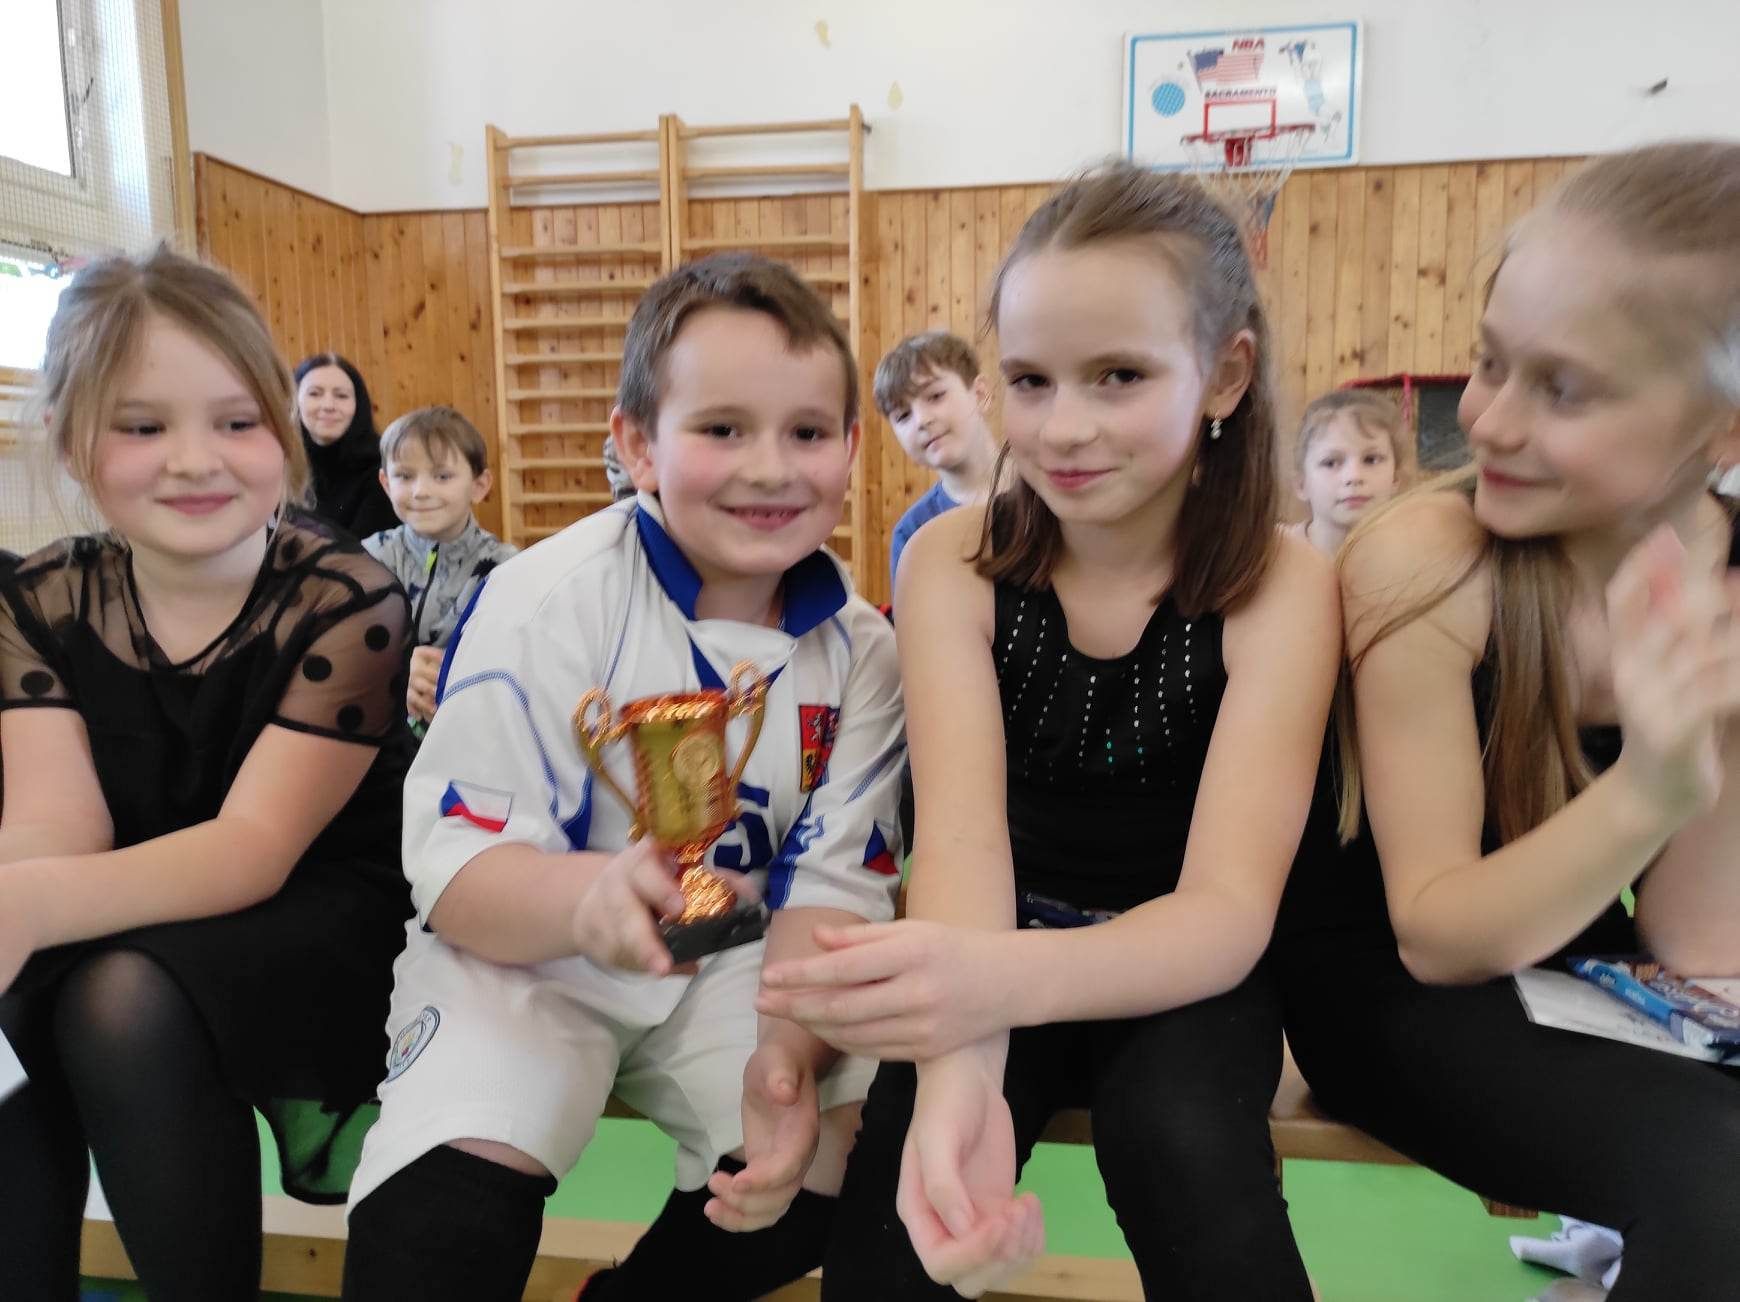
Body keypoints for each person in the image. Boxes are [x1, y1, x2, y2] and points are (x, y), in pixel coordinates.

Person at [757, 162, 1339, 1300]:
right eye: (1030, 380)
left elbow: (1224, 913)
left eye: (1120, 375)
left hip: (1177, 963)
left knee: (1184, 1152)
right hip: (990, 931)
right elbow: (964, 842)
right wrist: (957, 1080)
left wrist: (983, 985)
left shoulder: (1284, 584)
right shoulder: (952, 562)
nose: (1064, 428)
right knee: (898, 1228)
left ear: (1225, 375)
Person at [340, 253, 907, 1302]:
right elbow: (457, 876)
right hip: (529, 949)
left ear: (852, 447)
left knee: (833, 1165)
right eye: (722, 429)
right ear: (638, 445)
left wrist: (787, 1057)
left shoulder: (865, 650)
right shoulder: (544, 597)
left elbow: (833, 889)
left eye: (807, 433)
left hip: (731, 953)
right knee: (445, 1217)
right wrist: (586, 903)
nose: (770, 469)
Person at [1274, 140, 1740, 1302]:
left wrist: (1705, 749)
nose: (1485, 419)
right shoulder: (1432, 562)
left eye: (1563, 389)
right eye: (1490, 362)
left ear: (1723, 431)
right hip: (1390, 981)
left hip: (1590, 965)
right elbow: (1436, 934)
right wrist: (1651, 786)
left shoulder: (1724, 584)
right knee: (1717, 1175)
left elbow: (1693, 942)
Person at [0, 247, 413, 1301]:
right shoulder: (38, 600)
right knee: (18, 997)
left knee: (119, 998)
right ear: (73, 442)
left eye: (237, 422)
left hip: (316, 903)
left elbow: (253, 848)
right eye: (143, 428)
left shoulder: (347, 597)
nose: (196, 461)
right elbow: (57, 826)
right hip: (123, 887)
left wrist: (23, 904)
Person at [362, 405, 516, 734]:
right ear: (386, 483)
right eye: (405, 476)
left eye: (442, 476)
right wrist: (395, 672)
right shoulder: (366, 559)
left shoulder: (505, 569)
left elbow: (514, 664)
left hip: (470, 736)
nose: (421, 491)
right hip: (382, 741)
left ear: (479, 485)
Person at [876, 331, 1000, 590]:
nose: (922, 420)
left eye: (935, 396)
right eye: (903, 415)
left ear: (980, 395)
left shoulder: (1046, 492)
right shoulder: (913, 533)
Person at [1286, 389, 1406, 556]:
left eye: (1371, 459)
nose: (1354, 476)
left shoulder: (1415, 558)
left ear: (1395, 478)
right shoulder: (1271, 556)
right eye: (1331, 463)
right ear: (1301, 484)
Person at [294, 352, 398, 540]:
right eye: (314, 394)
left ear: (358, 405)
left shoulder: (381, 469)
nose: (328, 405)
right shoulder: (277, 463)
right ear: (294, 400)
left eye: (341, 396)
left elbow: (362, 552)